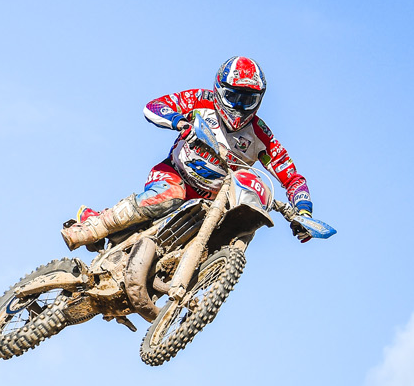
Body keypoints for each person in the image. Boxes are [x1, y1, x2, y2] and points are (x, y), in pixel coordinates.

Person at [62, 57, 316, 250]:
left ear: (259, 100)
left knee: (243, 222)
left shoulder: (261, 136)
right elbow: (154, 106)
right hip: (175, 175)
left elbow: (292, 177)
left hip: (216, 202)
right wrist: (179, 122)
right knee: (168, 195)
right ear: (219, 90)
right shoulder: (201, 100)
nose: (239, 106)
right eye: (232, 97)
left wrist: (303, 212)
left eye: (247, 100)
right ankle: (94, 226)